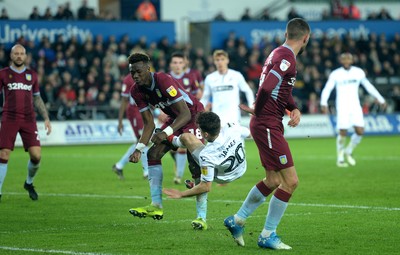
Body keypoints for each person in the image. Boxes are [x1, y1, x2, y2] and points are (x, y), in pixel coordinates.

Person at [223, 18, 310, 250]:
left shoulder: (277, 53)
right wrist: (258, 109)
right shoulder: (287, 57)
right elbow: (268, 87)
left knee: (273, 180)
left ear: (286, 33)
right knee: (290, 182)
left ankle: (237, 219)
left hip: (267, 122)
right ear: (306, 37)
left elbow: (280, 89)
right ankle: (267, 234)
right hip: (267, 123)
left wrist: (293, 108)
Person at [127, 52, 204, 220]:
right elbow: (149, 124)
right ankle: (156, 206)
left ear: (148, 69)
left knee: (195, 165)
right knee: (153, 154)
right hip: (175, 118)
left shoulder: (163, 80)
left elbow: (185, 114)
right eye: (132, 72)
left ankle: (201, 217)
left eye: (139, 71)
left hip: (193, 115)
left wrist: (165, 133)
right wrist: (139, 149)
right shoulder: (136, 91)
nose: (135, 75)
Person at [163, 111, 250, 230]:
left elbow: (206, 187)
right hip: (241, 168)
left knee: (186, 137)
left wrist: (181, 194)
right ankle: (198, 189)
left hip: (221, 176)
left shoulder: (207, 154)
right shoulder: (233, 127)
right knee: (203, 174)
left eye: (199, 129)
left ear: (206, 134)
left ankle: (171, 140)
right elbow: (249, 133)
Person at [0, 44, 52, 202]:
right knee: (3, 154)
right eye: (16, 53)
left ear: (25, 56)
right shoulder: (3, 74)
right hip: (9, 117)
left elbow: (37, 97)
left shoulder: (32, 75)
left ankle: (28, 183)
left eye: (22, 53)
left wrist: (46, 118)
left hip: (29, 119)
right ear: (11, 55)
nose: (19, 56)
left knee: (36, 156)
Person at [320, 52, 386, 167]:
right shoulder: (336, 74)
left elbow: (368, 86)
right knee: (343, 131)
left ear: (352, 60)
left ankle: (348, 150)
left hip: (355, 106)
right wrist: (323, 103)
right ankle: (340, 158)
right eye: (344, 59)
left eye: (348, 59)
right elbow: (327, 88)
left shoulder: (358, 72)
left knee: (360, 131)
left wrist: (380, 99)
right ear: (341, 61)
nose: (346, 61)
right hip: (342, 106)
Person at [167, 52, 202, 185]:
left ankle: (179, 176)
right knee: (170, 146)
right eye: (175, 63)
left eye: (180, 63)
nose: (177, 65)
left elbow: (196, 95)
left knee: (188, 146)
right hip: (173, 117)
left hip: (189, 117)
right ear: (170, 64)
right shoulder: (167, 79)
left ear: (184, 64)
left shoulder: (191, 77)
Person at [201, 50, 255, 126]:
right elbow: (205, 97)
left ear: (227, 60)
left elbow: (248, 91)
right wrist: (199, 113)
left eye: (222, 59)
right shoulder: (210, 78)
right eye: (217, 60)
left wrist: (251, 108)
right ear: (214, 62)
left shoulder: (236, 75)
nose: (220, 62)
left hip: (234, 118)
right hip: (217, 118)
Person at [112, 74, 149, 180]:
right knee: (143, 141)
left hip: (143, 110)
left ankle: (119, 166)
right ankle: (146, 171)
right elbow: (124, 101)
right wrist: (120, 121)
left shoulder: (146, 76)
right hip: (134, 112)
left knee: (141, 141)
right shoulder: (128, 79)